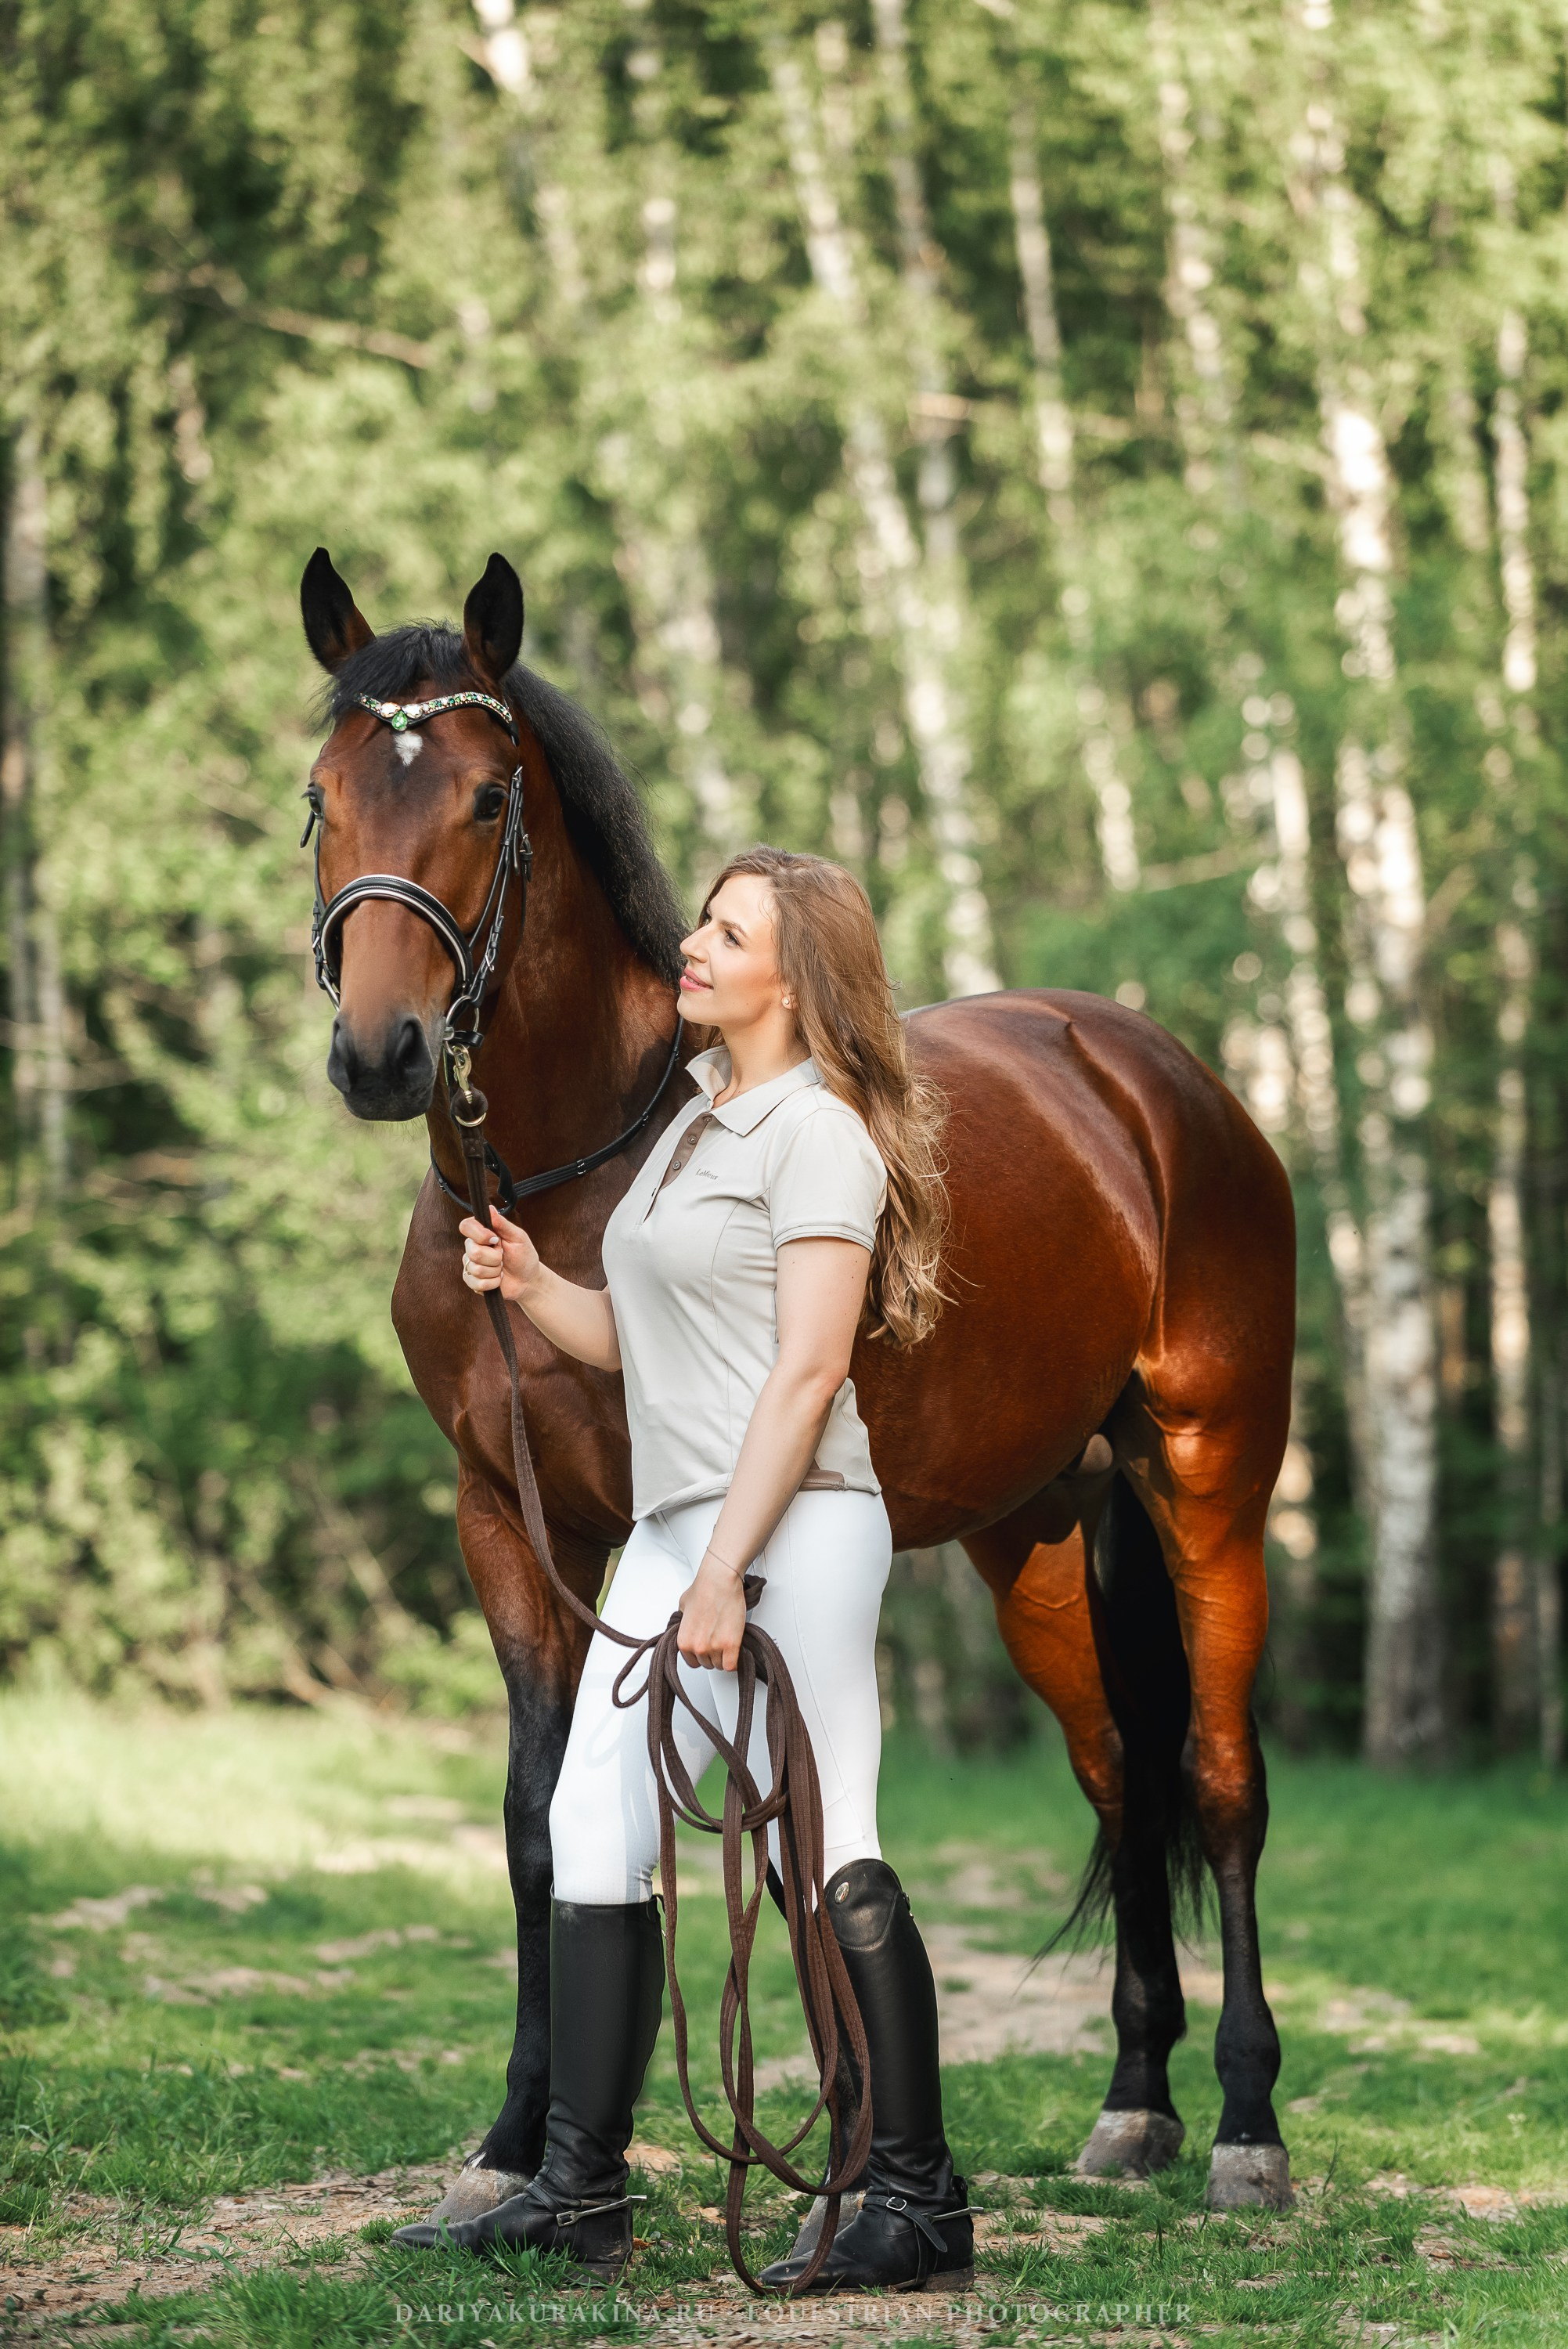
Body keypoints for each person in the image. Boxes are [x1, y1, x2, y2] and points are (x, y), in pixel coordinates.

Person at [395, 845, 971, 2294]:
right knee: (595, 1829)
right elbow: (641, 1343)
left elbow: (809, 1370)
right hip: (677, 1527)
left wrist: (724, 1573)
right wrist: (533, 1286)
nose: (693, 949)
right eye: (703, 922)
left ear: (802, 977)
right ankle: (582, 2193)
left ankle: (918, 2203)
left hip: (797, 1528)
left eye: (730, 933)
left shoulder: (819, 1132)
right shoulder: (701, 1121)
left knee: (829, 1842)